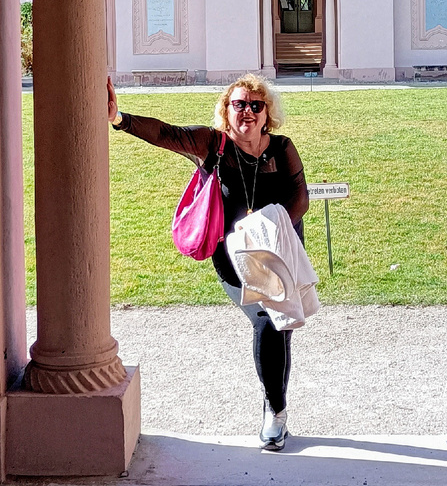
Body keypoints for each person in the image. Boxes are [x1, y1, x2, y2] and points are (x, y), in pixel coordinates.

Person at [107, 72, 309, 451]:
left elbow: (301, 197)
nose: (247, 112)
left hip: (280, 253)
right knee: (267, 319)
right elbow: (166, 134)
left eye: (256, 105)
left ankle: (275, 406)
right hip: (233, 258)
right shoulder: (213, 145)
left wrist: (267, 228)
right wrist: (121, 119)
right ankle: (275, 412)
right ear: (226, 110)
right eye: (239, 105)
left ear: (267, 114)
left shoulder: (281, 149)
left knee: (282, 327)